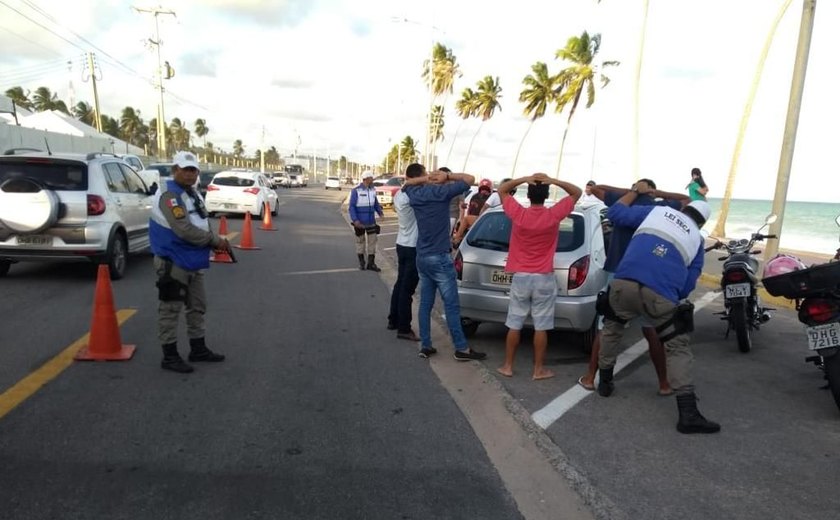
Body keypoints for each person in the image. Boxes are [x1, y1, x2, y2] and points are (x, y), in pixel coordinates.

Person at [598, 186, 719, 434]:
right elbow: (687, 284)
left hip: (624, 283)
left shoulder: (658, 212)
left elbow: (616, 214)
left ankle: (605, 382)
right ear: (702, 221)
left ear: (685, 208)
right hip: (660, 294)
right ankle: (688, 414)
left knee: (612, 329)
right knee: (677, 346)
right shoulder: (696, 240)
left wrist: (635, 191)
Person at [578, 179, 689, 396]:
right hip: (648, 276)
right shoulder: (660, 208)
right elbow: (686, 199)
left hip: (618, 274)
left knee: (608, 329)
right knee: (652, 330)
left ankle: (591, 378)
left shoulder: (622, 203)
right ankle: (664, 383)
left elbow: (596, 187)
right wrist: (656, 192)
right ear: (653, 191)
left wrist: (631, 191)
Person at [149, 151, 231, 373]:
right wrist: (215, 241)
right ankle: (170, 356)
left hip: (193, 260)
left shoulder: (191, 193)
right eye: (185, 170)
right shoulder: (170, 196)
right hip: (173, 260)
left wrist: (211, 240)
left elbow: (202, 222)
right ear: (175, 170)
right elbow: (183, 229)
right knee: (170, 309)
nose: (189, 174)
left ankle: (198, 349)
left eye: (193, 170)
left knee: (197, 307)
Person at [495, 174, 582, 380]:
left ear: (529, 196)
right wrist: (553, 180)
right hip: (543, 276)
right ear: (545, 196)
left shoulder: (519, 214)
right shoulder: (553, 215)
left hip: (521, 276)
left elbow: (502, 189)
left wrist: (525, 178)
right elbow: (577, 192)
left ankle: (508, 366)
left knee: (514, 322)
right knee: (541, 325)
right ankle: (538, 369)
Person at [403, 165, 486, 361]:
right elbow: (470, 178)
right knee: (451, 304)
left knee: (425, 303)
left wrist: (426, 179)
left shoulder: (415, 193)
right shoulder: (442, 191)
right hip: (439, 257)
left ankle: (426, 345)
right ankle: (461, 348)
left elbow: (406, 184)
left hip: (422, 256)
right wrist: (446, 176)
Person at [386, 163, 422, 341]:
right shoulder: (411, 196)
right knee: (407, 289)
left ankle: (393, 319)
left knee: (400, 284)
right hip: (413, 247)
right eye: (423, 176)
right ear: (417, 177)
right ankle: (404, 327)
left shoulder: (400, 194)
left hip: (401, 243)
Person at [349, 170, 385, 271]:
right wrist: (355, 220)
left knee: (372, 242)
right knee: (360, 242)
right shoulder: (356, 191)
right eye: (371, 178)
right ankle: (362, 263)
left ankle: (371, 263)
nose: (372, 180)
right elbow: (352, 207)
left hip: (371, 221)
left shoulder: (373, 190)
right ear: (366, 179)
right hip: (359, 222)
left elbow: (375, 203)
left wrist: (380, 213)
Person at [452, 178, 493, 246]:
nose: (484, 191)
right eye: (483, 189)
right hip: (474, 218)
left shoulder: (491, 198)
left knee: (466, 219)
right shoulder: (475, 196)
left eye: (486, 190)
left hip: (484, 218)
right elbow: (470, 209)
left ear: (490, 190)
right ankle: (460, 240)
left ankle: (457, 239)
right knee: (463, 222)